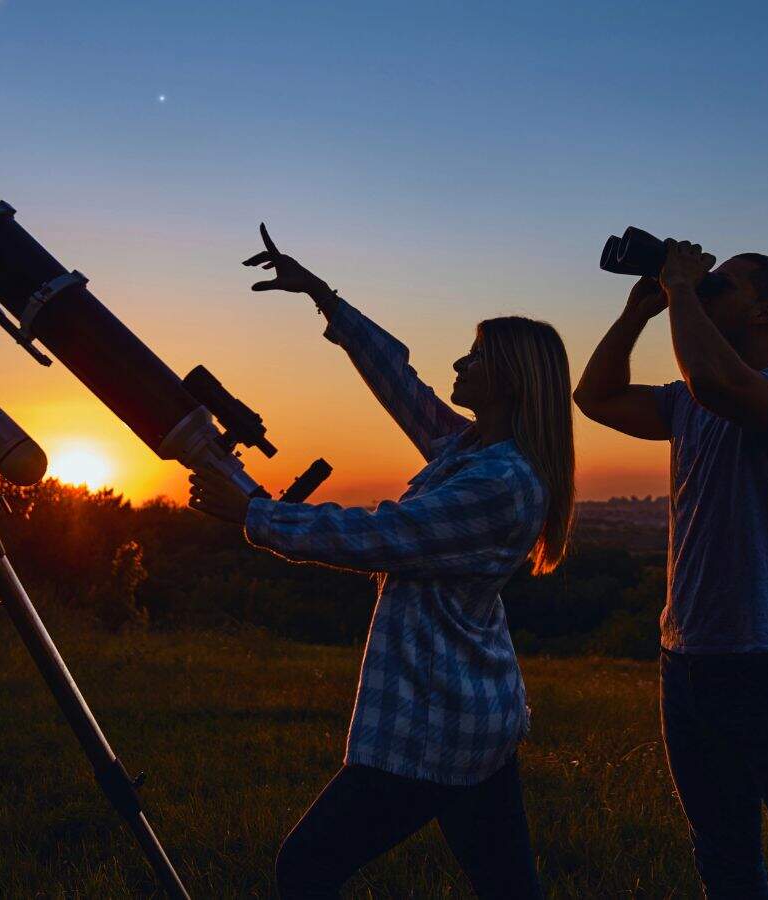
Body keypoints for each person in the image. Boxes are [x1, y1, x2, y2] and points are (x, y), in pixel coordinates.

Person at [187, 225, 575, 899]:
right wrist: (323, 298)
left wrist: (251, 510)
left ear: (511, 379)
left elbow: (380, 536)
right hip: (470, 716)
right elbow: (403, 384)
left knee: (306, 866)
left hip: (436, 723)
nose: (459, 363)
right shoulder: (472, 449)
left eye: (476, 356)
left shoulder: (502, 482)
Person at [573, 240, 768, 898]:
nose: (708, 291)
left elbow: (718, 383)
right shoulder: (684, 403)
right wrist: (638, 312)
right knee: (723, 858)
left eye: (724, 287)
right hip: (688, 662)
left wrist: (683, 289)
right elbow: (593, 397)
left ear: (767, 312)